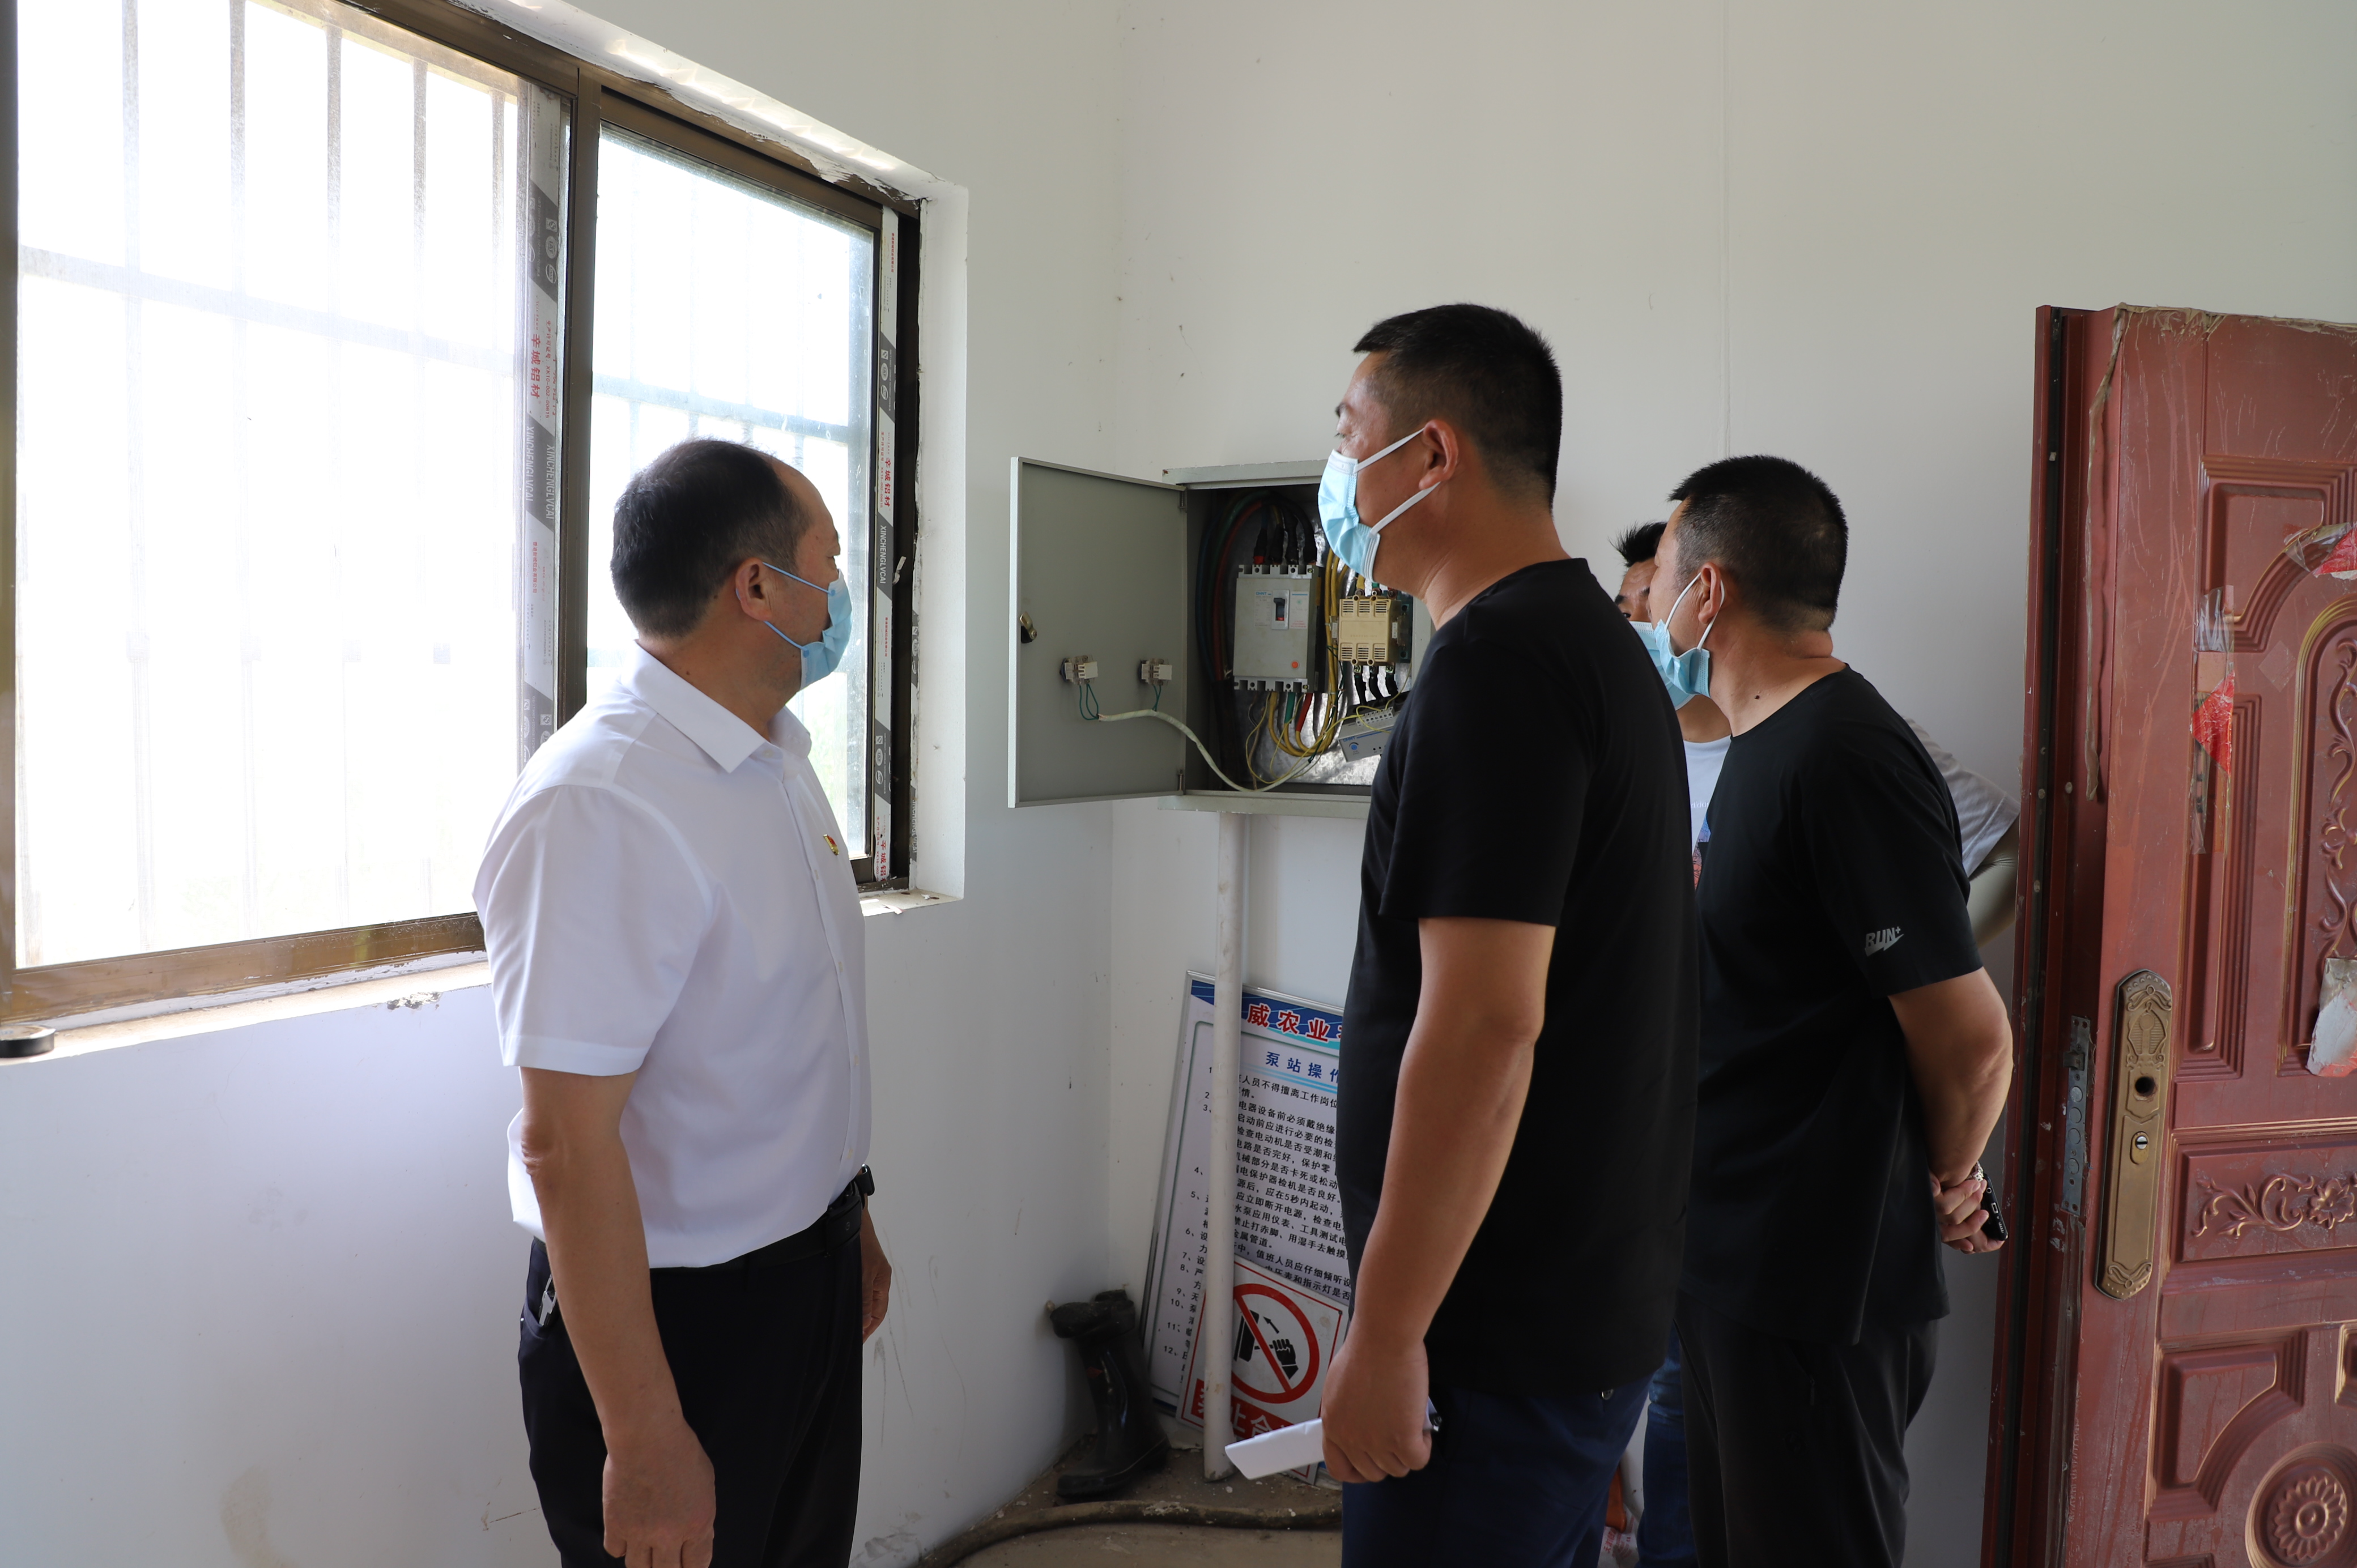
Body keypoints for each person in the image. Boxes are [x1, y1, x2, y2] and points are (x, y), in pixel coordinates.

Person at [1317, 303, 1697, 1567]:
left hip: (1490, 1341)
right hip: (1574, 1312)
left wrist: (1387, 1334)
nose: (1336, 475)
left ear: (1431, 455)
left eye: (1348, 438)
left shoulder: (1498, 667)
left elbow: (1484, 1028)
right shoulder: (1594, 647)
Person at [474, 438, 892, 1568]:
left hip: (800, 1285)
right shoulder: (603, 802)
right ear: (757, 586)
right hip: (678, 1327)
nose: (840, 590)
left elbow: (783, 1039)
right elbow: (566, 1145)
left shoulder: (772, 758)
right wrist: (645, 1436)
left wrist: (844, 1218)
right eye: (828, 560)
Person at [1645, 455, 2011, 1568]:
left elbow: (1969, 1038)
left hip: (1812, 1283)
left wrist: (1948, 1172)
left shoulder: (1845, 756)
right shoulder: (1759, 747)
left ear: (1708, 591)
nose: (1650, 609)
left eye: (1659, 579)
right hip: (1734, 1263)